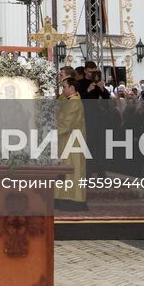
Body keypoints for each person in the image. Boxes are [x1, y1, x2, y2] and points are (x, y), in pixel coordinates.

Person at [54, 78, 87, 210]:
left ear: (72, 88)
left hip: (72, 142)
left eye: (64, 87)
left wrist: (51, 129)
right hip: (66, 141)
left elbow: (66, 123)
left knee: (72, 170)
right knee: (64, 170)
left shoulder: (74, 103)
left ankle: (73, 199)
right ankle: (62, 197)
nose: (63, 90)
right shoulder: (70, 100)